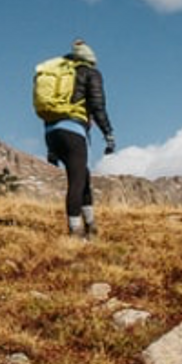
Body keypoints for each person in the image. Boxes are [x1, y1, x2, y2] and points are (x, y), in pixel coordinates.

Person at [42, 39, 115, 239]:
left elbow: (51, 109)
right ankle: (75, 232)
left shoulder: (59, 75)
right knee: (76, 182)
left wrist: (51, 148)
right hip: (73, 132)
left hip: (51, 132)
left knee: (84, 177)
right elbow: (98, 106)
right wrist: (108, 133)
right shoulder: (91, 73)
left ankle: (91, 227)